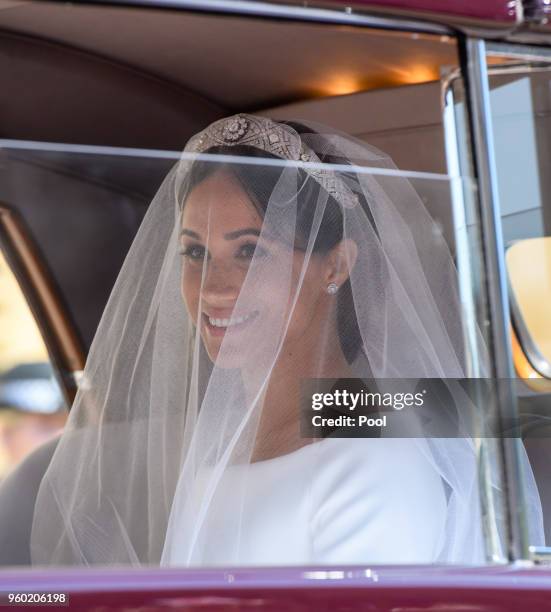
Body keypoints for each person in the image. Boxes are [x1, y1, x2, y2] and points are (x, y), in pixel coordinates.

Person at [28, 114, 544, 567]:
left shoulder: (379, 456)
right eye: (193, 252)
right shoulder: (223, 439)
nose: (212, 287)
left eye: (250, 252)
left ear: (335, 265)